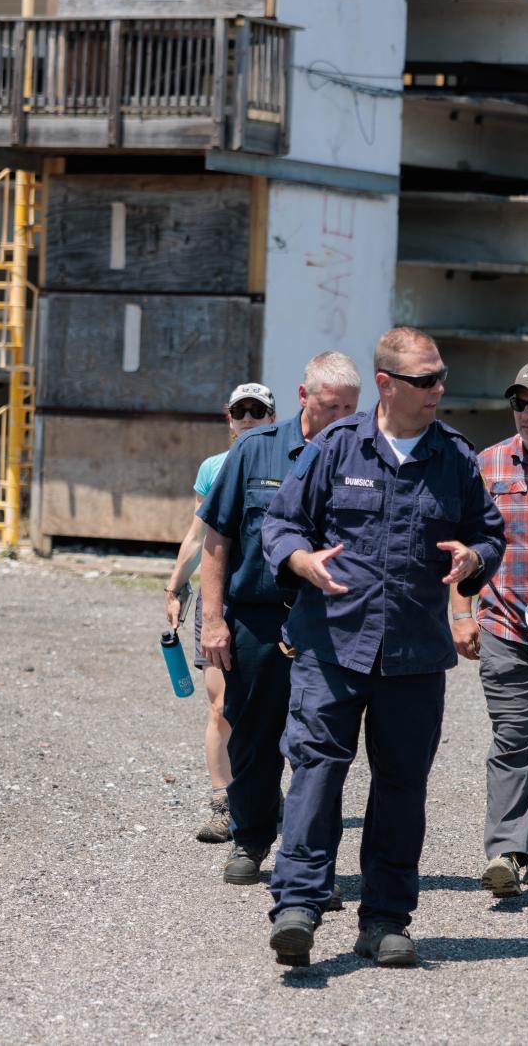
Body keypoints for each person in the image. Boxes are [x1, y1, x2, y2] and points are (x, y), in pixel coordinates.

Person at [261, 327, 505, 969]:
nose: (438, 390)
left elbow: (488, 532)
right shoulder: (337, 448)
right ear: (388, 385)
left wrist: (475, 558)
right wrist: (301, 560)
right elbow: (281, 521)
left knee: (401, 789)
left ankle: (387, 919)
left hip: (415, 658)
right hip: (330, 648)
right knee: (315, 774)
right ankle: (298, 907)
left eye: (441, 377)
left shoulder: (454, 456)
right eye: (425, 380)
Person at [196, 352, 362, 887]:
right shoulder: (254, 450)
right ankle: (250, 839)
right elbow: (217, 538)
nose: (341, 417)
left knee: (318, 743)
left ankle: (312, 858)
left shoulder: (366, 456)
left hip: (331, 623)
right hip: (258, 620)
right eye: (330, 405)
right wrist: (213, 619)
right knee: (251, 735)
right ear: (302, 397)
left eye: (350, 407)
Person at [450, 360, 528, 899]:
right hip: (503, 623)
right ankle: (504, 851)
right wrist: (460, 612)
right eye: (518, 403)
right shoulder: (489, 464)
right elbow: (457, 547)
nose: (526, 413)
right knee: (512, 736)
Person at [165, 382, 275, 842]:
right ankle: (222, 802)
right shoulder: (213, 469)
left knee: (274, 709)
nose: (247, 418)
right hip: (219, 602)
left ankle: (267, 795)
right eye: (239, 411)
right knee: (221, 706)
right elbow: (198, 536)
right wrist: (176, 587)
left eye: (257, 411)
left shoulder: (289, 461)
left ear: (273, 418)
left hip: (269, 604)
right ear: (229, 419)